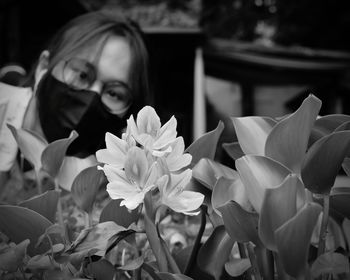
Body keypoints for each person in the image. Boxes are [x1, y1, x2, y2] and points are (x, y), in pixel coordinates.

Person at [0, 10, 152, 196]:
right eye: (81, 74)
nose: (91, 99)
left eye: (113, 93)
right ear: (44, 66)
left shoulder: (111, 185)